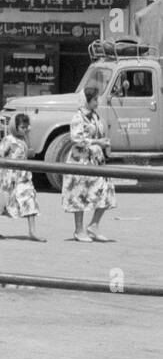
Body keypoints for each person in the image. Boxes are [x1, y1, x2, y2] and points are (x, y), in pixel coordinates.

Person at [62, 85, 115, 243]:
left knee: (105, 189)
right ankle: (79, 229)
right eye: (94, 100)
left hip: (96, 160)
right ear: (87, 100)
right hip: (81, 159)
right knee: (80, 193)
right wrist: (96, 141)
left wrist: (103, 143)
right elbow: (76, 139)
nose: (97, 102)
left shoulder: (95, 116)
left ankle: (94, 225)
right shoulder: (78, 118)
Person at [0, 112, 44, 242]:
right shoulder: (8, 140)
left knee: (29, 198)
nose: (25, 130)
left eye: (26, 127)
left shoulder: (24, 140)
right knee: (2, 203)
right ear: (15, 127)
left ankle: (32, 231)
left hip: (23, 177)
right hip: (9, 177)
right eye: (22, 127)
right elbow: (0, 156)